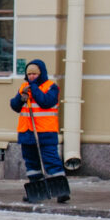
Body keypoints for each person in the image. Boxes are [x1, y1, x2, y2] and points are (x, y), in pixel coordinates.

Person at [11, 59, 67, 202]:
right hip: (27, 132)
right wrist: (20, 97)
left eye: (34, 74)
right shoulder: (24, 87)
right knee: (31, 163)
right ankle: (36, 191)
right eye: (29, 74)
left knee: (51, 161)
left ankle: (61, 191)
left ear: (41, 73)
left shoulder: (51, 87)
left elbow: (45, 101)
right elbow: (15, 106)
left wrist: (33, 88)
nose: (31, 77)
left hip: (46, 132)